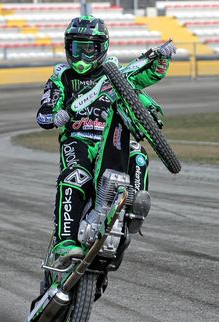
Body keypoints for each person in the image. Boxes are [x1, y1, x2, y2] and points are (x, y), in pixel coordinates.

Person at [36, 15, 176, 259]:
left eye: (90, 48)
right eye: (78, 48)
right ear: (69, 47)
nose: (83, 55)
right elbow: (43, 115)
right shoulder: (61, 78)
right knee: (75, 176)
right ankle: (65, 242)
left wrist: (162, 58)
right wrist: (56, 116)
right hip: (77, 140)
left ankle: (132, 211)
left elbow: (146, 76)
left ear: (102, 48)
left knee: (139, 156)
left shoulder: (116, 74)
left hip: (111, 137)